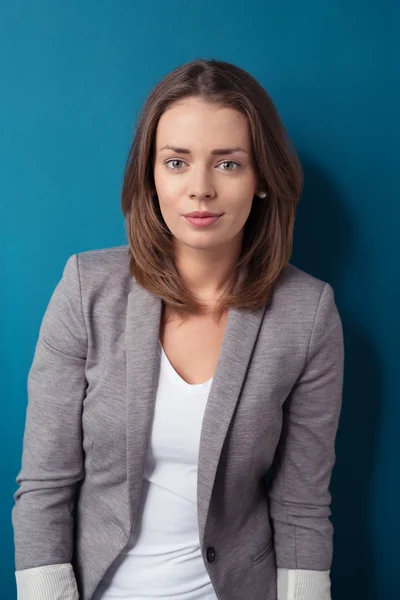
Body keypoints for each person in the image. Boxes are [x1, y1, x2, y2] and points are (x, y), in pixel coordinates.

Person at [12, 58, 344, 600]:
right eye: (176, 162)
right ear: (150, 174)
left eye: (229, 164)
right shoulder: (84, 288)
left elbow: (302, 506)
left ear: (262, 179)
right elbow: (44, 490)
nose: (200, 189)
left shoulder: (307, 313)